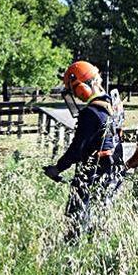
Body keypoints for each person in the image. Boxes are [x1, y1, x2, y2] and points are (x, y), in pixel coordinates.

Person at [43, 61, 124, 241]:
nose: (77, 97)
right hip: (109, 171)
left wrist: (57, 168)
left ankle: (72, 251)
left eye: (75, 91)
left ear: (82, 87)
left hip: (91, 172)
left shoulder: (91, 113)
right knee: (99, 216)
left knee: (76, 215)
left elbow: (76, 150)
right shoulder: (110, 103)